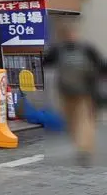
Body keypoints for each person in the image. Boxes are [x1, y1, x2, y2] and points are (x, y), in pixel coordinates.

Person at [43, 20, 104, 166]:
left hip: (84, 93)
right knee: (73, 122)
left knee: (83, 120)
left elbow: (46, 63)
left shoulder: (84, 49)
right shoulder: (61, 50)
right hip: (67, 92)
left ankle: (84, 149)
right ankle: (82, 146)